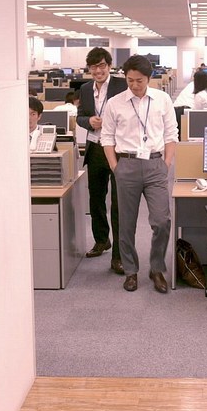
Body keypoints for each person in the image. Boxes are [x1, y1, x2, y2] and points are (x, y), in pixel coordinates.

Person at [100, 55, 178, 293]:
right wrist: (115, 167)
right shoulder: (115, 103)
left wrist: (166, 163)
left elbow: (171, 134)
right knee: (126, 224)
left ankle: (156, 269)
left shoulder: (162, 100)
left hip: (155, 165)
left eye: (139, 80)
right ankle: (131, 271)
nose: (134, 85)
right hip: (127, 165)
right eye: (130, 80)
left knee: (162, 221)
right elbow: (107, 137)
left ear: (149, 78)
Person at [76, 48, 128, 274]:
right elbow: (79, 116)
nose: (98, 70)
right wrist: (89, 121)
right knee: (96, 199)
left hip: (117, 149)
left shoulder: (121, 85)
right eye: (93, 67)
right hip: (95, 148)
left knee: (118, 203)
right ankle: (101, 240)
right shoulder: (85, 89)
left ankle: (118, 255)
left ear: (109, 66)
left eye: (102, 66)